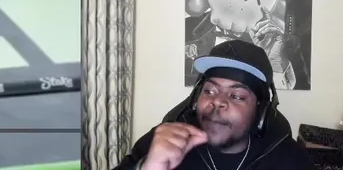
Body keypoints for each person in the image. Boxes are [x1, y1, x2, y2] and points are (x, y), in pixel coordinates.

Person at [112, 39, 313, 170]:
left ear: (261, 111)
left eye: (236, 95)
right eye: (210, 91)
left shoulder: (290, 159)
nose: (217, 101)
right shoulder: (162, 141)